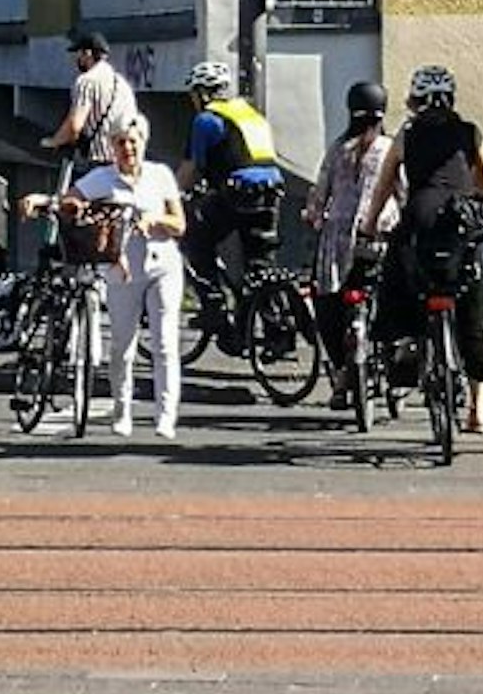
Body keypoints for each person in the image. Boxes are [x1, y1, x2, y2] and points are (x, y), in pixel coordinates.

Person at [24, 114, 187, 440]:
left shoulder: (160, 175)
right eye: (121, 143)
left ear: (143, 143)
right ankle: (122, 409)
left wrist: (156, 219)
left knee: (165, 343)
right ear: (112, 147)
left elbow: (179, 224)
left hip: (163, 265)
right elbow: (70, 202)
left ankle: (166, 415)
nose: (128, 148)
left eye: (133, 142)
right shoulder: (102, 178)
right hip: (122, 269)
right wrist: (50, 202)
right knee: (123, 344)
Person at [360, 64, 483, 433]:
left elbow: (386, 183)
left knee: (398, 281)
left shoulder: (408, 133)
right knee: (470, 308)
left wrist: (371, 225)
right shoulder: (470, 132)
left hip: (420, 216)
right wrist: (477, 201)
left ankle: (404, 346)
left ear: (415, 100)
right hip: (460, 221)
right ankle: (477, 408)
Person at [304, 81, 397, 409]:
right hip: (379, 237)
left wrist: (314, 216)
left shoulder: (338, 148)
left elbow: (319, 195)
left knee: (329, 305)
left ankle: (343, 375)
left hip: (338, 243)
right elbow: (404, 192)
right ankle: (388, 364)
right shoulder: (390, 148)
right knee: (387, 299)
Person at [177, 58, 285, 330]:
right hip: (272, 191)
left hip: (240, 192)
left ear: (202, 93)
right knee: (259, 264)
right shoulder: (251, 114)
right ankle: (276, 326)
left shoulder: (207, 119)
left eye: (193, 94)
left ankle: (213, 307)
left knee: (196, 238)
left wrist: (172, 194)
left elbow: (191, 167)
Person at [40, 31, 137, 166]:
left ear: (88, 54)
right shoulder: (123, 84)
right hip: (123, 161)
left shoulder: (86, 82)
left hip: (98, 162)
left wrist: (54, 141)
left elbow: (75, 125)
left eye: (78, 53)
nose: (76, 58)